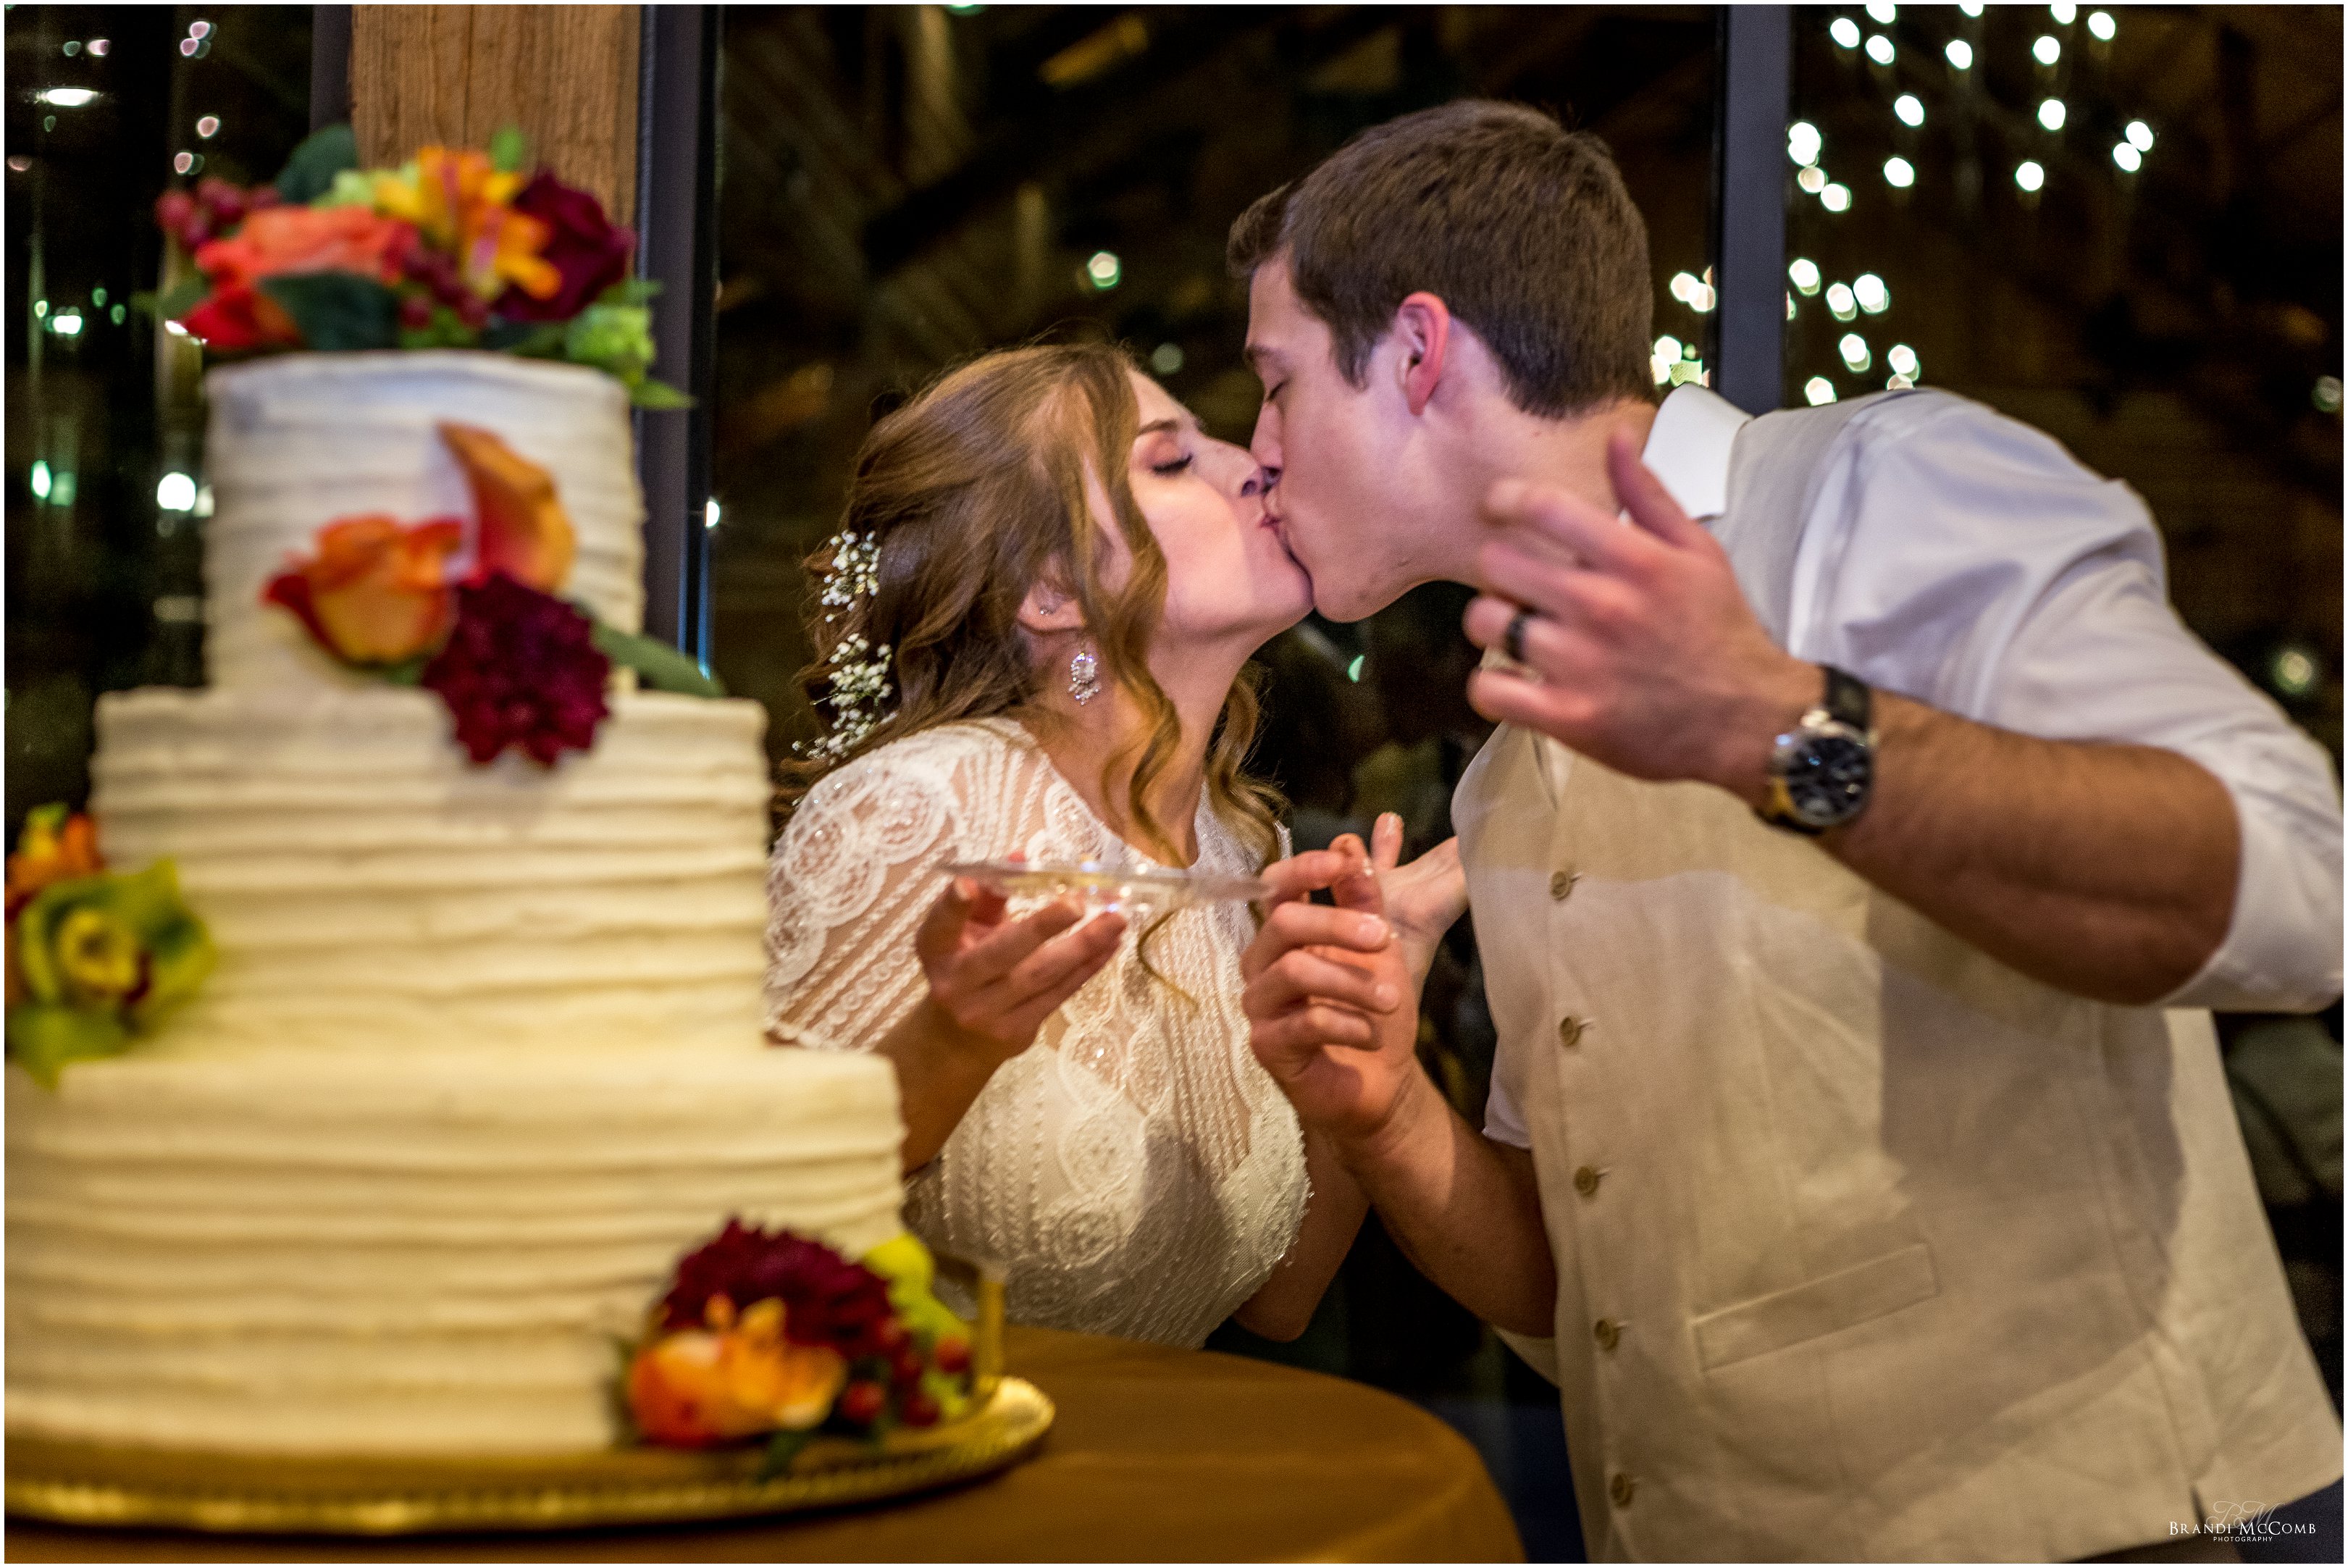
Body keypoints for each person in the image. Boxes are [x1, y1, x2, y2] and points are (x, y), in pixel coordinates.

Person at [1233, 101, 2344, 1560]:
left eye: (1275, 384)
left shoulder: (1882, 487)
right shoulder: (1506, 776)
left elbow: (2300, 890)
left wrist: (1780, 733)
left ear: (1417, 352)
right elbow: (1594, 1307)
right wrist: (1387, 1108)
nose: (1257, 450)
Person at [764, 343, 1446, 1349]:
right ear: (1053, 592)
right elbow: (733, 1211)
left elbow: (1281, 1298)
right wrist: (948, 1047)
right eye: (1171, 462)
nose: (1253, 462)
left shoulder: (1239, 846)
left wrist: (1388, 972)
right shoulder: (920, 812)